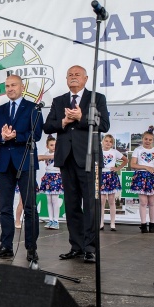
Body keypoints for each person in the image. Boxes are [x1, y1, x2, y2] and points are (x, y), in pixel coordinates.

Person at [43, 65, 110, 263]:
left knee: (90, 204)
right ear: (66, 79)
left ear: (86, 78)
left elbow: (104, 125)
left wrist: (82, 117)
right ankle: (76, 246)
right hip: (66, 159)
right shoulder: (58, 101)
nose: (73, 77)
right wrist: (63, 122)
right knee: (71, 205)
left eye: (77, 74)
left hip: (89, 158)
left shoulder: (96, 98)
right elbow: (47, 126)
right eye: (70, 74)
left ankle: (90, 248)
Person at [0, 75, 42, 261]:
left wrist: (16, 135)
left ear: (22, 86)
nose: (10, 88)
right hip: (4, 163)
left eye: (14, 85)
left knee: (30, 207)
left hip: (26, 161)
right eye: (7, 86)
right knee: (4, 207)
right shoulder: (0, 110)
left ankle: (31, 248)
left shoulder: (33, 107)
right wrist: (2, 137)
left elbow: (37, 133)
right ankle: (6, 246)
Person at [130, 126, 154, 233]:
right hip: (141, 176)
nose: (148, 141)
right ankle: (143, 224)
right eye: (146, 139)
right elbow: (133, 164)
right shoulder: (138, 150)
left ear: (153, 140)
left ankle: (152, 224)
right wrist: (145, 167)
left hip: (153, 177)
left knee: (152, 201)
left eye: (150, 140)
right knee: (143, 202)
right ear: (142, 139)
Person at [100, 134, 128, 232]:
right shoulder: (99, 151)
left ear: (112, 144)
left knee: (111, 201)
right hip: (101, 176)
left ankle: (112, 223)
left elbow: (125, 160)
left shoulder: (114, 152)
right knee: (102, 201)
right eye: (106, 141)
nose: (108, 143)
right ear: (103, 141)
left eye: (110, 142)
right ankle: (101, 222)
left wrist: (118, 168)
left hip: (111, 176)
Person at [38, 135, 64, 230]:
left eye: (55, 145)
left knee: (55, 200)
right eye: (51, 145)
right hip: (48, 176)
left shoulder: (59, 154)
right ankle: (51, 219)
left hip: (56, 177)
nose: (54, 147)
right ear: (47, 146)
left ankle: (56, 220)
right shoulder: (46, 154)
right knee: (49, 200)